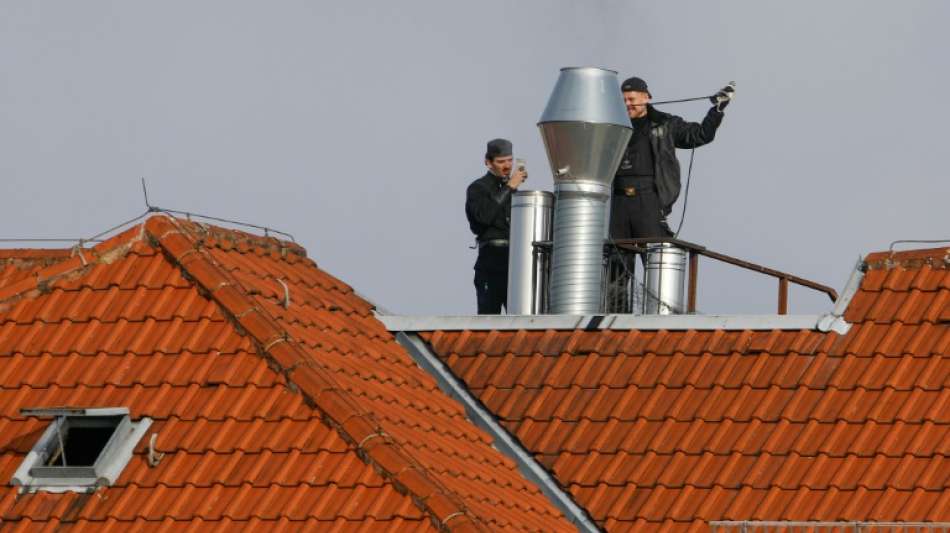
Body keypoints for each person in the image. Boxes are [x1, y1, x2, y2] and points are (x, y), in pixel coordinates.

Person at [609, 76, 735, 239]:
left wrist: (717, 110)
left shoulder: (666, 123)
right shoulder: (612, 126)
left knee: (657, 256)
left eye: (631, 99)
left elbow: (700, 135)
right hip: (617, 201)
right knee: (616, 259)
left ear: (646, 97)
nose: (627, 104)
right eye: (623, 100)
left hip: (649, 199)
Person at [465, 138, 527, 314]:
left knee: (519, 321)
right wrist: (509, 188)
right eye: (501, 161)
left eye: (510, 160)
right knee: (488, 322)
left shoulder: (514, 193)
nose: (507, 166)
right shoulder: (477, 188)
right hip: (490, 263)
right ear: (488, 162)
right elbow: (483, 217)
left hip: (514, 262)